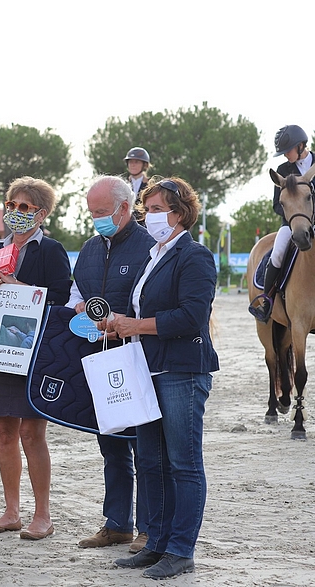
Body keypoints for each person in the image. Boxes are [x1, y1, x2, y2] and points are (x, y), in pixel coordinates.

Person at [105, 177, 219, 579]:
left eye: (157, 210)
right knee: (150, 461)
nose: (149, 216)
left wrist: (136, 324)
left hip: (181, 371)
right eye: (147, 209)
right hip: (147, 368)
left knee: (183, 463)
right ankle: (155, 542)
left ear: (180, 213)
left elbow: (191, 316)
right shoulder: (153, 255)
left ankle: (181, 548)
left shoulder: (196, 256)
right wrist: (119, 324)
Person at [0, 177, 72, 540]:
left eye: (24, 207)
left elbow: (60, 301)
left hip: (35, 354)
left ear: (41, 213)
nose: (15, 212)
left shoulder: (51, 251)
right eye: (11, 205)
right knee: (4, 432)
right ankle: (11, 511)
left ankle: (43, 515)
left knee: (32, 433)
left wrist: (20, 289)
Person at [66, 176, 155, 553]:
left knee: (146, 447)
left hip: (140, 358)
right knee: (112, 443)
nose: (96, 219)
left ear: (123, 208)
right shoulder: (88, 248)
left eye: (101, 212)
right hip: (100, 358)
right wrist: (78, 305)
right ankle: (117, 523)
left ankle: (149, 528)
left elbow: (156, 300)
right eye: (91, 212)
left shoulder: (150, 245)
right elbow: (76, 291)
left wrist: (125, 323)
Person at [249, 124, 313, 322]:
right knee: (276, 253)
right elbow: (277, 204)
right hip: (292, 223)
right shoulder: (283, 170)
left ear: (301, 146)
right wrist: (293, 216)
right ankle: (267, 300)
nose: (286, 155)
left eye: (288, 151)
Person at [125, 147, 151, 224]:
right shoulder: (123, 184)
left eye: (136, 162)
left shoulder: (151, 185)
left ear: (144, 165)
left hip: (145, 225)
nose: (133, 165)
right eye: (130, 162)